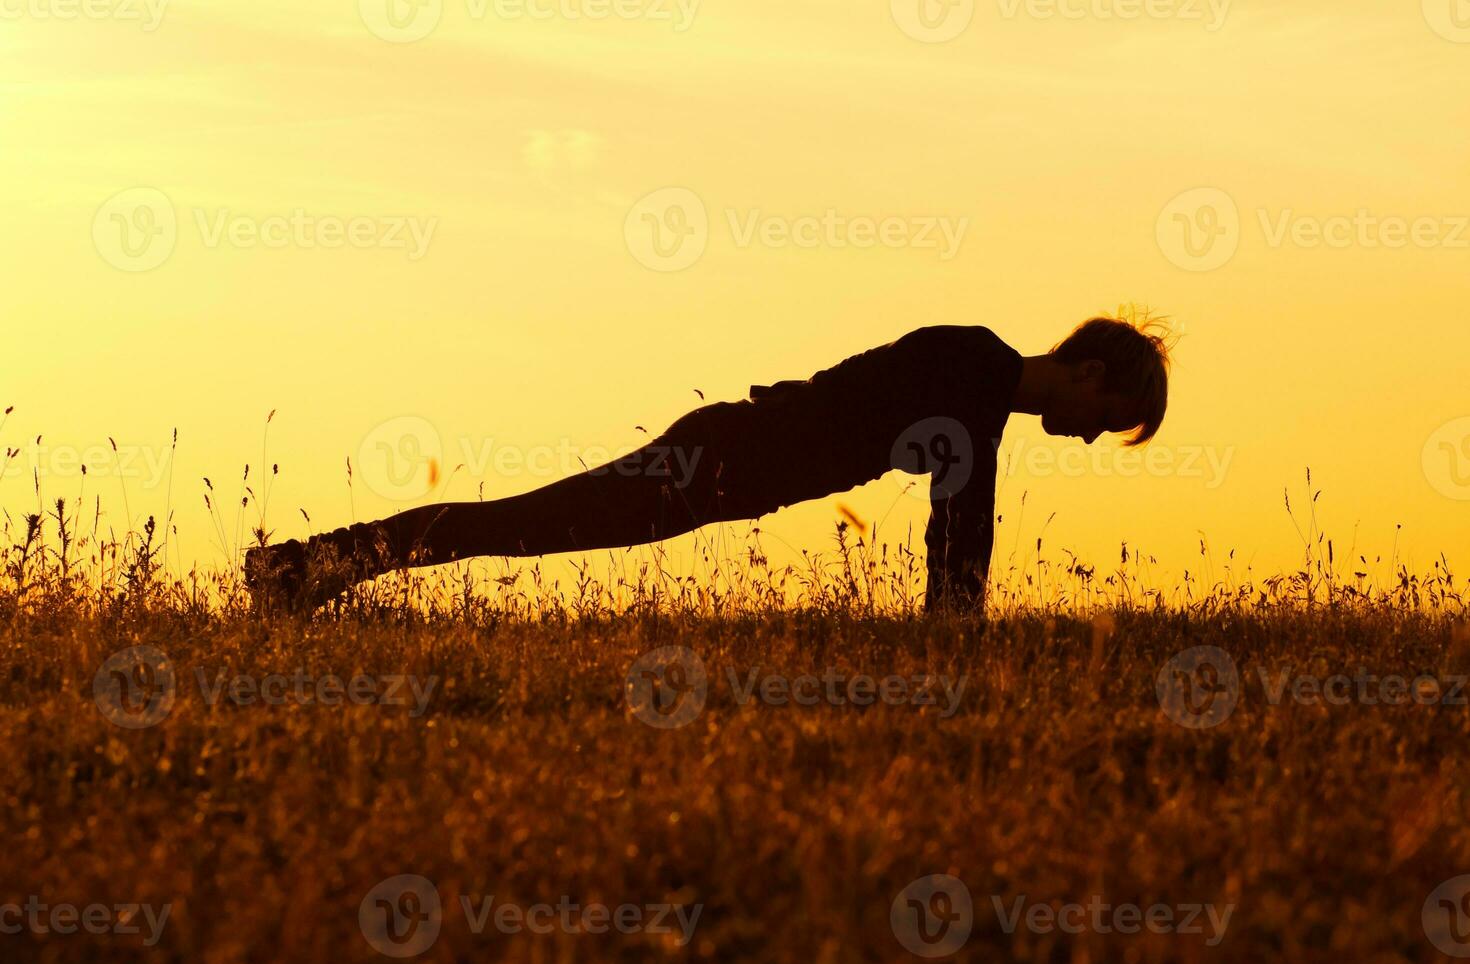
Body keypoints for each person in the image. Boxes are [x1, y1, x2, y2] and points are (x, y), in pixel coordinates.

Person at [245, 313, 1171, 612]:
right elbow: (962, 517)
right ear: (1089, 372)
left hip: (725, 470)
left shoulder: (979, 380)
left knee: (521, 528)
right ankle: (300, 568)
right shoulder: (975, 366)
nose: (1092, 434)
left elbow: (959, 512)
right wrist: (956, 638)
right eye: (1107, 417)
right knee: (519, 525)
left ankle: (305, 570)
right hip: (716, 459)